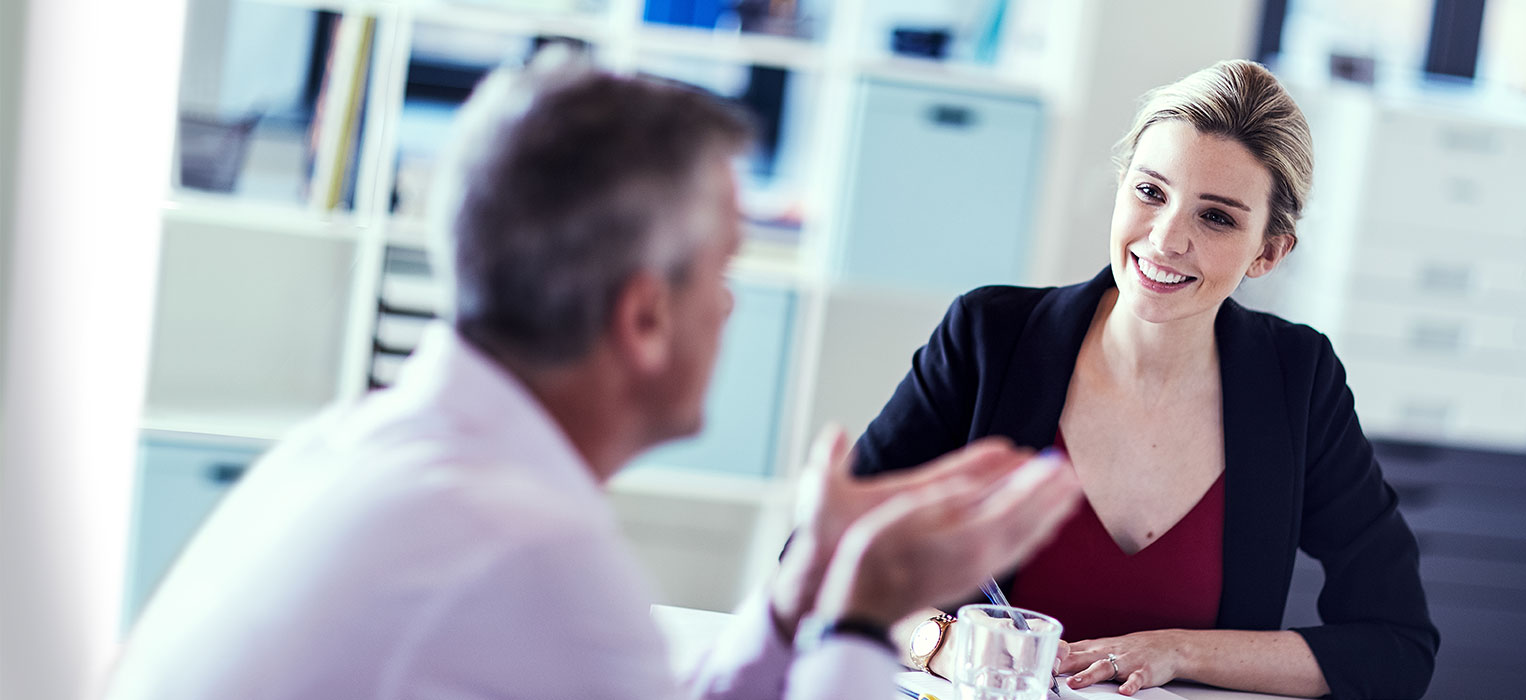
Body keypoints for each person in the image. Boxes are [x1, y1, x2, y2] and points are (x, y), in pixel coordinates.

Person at [105, 50, 1080, 700]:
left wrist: (802, 598)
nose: (734, 307)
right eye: (726, 270)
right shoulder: (518, 544)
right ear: (645, 316)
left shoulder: (357, 448)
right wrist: (865, 620)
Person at [854, 60, 1437, 699]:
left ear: (1268, 253)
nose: (1164, 240)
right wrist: (943, 643)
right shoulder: (990, 337)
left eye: (1216, 217)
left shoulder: (1298, 382)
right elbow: (827, 558)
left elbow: (1396, 645)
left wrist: (1174, 650)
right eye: (1150, 192)